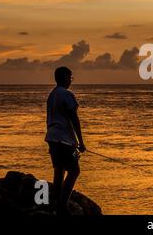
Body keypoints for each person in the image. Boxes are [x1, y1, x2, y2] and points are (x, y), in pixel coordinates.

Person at [45, 66, 86, 215]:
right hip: (62, 139)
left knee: (59, 170)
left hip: (52, 137)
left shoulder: (52, 95)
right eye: (70, 77)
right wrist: (80, 142)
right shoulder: (66, 94)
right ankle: (62, 205)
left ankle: (57, 203)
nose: (71, 80)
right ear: (64, 78)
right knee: (74, 171)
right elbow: (74, 119)